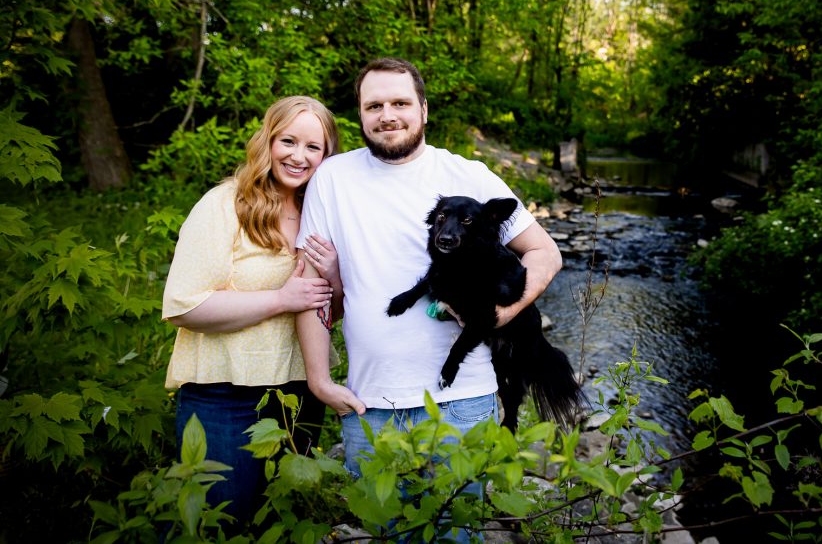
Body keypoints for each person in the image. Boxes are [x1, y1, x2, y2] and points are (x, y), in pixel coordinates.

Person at [294, 57, 563, 530]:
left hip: (463, 404)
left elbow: (544, 253)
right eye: (373, 105)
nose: (387, 114)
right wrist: (319, 380)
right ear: (359, 113)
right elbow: (310, 287)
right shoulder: (331, 179)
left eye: (400, 102)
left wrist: (501, 313)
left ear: (423, 109)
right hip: (368, 403)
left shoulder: (470, 175)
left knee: (456, 535)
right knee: (382, 532)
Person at [162, 95, 343, 527]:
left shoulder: (322, 213)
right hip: (225, 395)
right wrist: (281, 299)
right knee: (219, 523)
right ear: (268, 141)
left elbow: (329, 314)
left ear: (327, 155)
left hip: (298, 394)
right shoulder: (225, 204)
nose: (298, 156)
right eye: (288, 141)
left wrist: (335, 278)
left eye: (313, 147)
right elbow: (184, 305)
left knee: (276, 523)